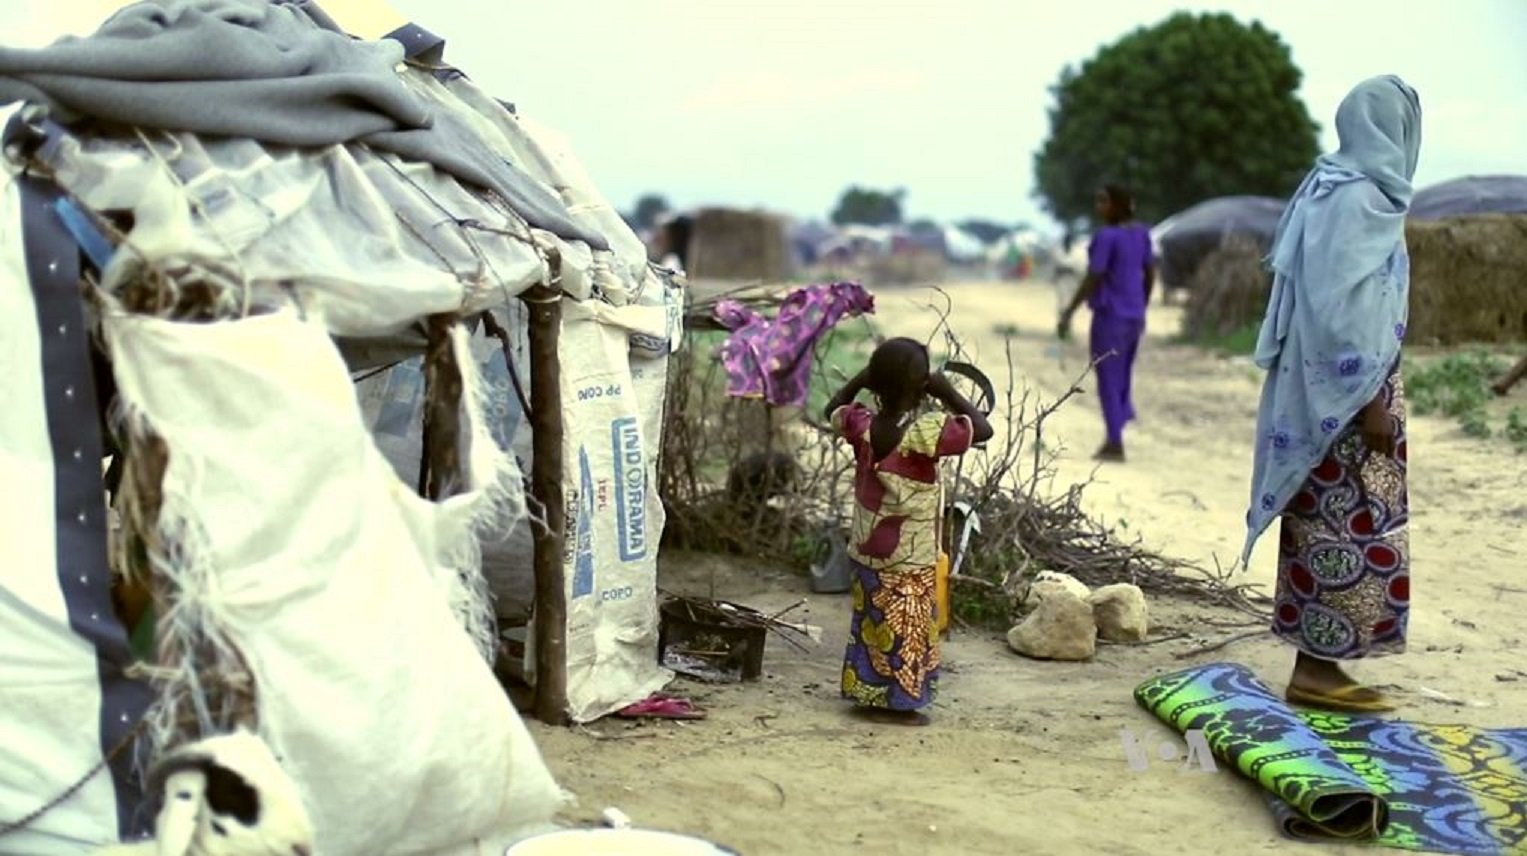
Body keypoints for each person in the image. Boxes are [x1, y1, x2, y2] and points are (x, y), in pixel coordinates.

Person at [1243, 76, 1422, 712]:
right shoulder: (1360, 200)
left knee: (1325, 522)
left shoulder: (1331, 189)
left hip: (1328, 389)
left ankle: (1320, 664)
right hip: (1347, 398)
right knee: (1344, 527)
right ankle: (1316, 671)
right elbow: (1337, 309)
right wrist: (1372, 398)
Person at [823, 338, 993, 726]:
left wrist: (860, 380)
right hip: (908, 556)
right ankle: (901, 704)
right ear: (921, 387)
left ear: (876, 384)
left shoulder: (861, 424)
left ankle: (866, 692)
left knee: (871, 623)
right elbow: (983, 429)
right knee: (909, 629)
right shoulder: (925, 433)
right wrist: (948, 391)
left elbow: (831, 409)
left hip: (866, 549)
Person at [1058, 186, 1155, 462]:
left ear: (1117, 205)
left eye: (1103, 200)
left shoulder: (1106, 237)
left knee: (1108, 378)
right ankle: (1120, 419)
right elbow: (1150, 273)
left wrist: (1069, 311)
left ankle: (1115, 440)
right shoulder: (1142, 234)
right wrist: (1141, 304)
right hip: (1134, 316)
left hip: (1110, 316)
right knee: (1123, 373)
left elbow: (1094, 276)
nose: (1098, 206)